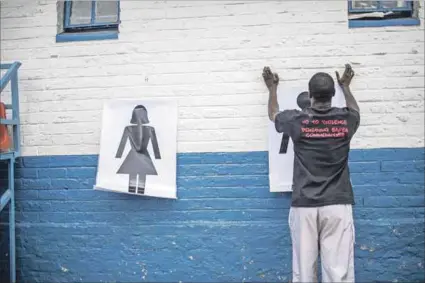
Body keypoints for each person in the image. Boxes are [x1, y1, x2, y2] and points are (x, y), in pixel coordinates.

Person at [262, 64, 360, 282]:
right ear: (333, 95)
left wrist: (272, 89)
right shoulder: (346, 120)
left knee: (304, 270)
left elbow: (273, 114)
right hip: (337, 204)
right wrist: (346, 87)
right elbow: (355, 111)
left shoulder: (297, 120)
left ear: (310, 95)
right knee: (338, 269)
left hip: (304, 205)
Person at [115, 105, 161, 195]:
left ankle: (135, 192)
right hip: (142, 155)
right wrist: (157, 156)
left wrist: (118, 155)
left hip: (133, 155)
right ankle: (138, 192)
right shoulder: (150, 129)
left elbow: (122, 143)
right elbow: (154, 144)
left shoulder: (129, 128)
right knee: (140, 173)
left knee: (134, 172)